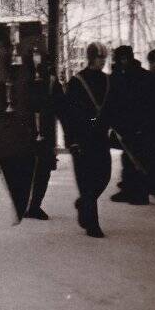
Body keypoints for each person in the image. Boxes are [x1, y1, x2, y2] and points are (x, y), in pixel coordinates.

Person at [61, 42, 112, 238]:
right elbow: (68, 114)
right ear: (91, 58)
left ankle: (84, 203)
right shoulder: (77, 81)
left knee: (104, 176)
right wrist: (71, 140)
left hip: (100, 137)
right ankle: (92, 224)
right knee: (87, 181)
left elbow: (111, 108)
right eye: (100, 58)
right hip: (82, 139)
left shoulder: (108, 81)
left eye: (104, 58)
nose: (103, 62)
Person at [107, 46, 155, 205]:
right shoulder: (135, 74)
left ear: (124, 59)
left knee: (136, 157)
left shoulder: (136, 76)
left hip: (136, 123)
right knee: (128, 157)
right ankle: (129, 189)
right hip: (129, 123)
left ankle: (139, 193)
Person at [24, 53, 64, 220]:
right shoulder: (24, 79)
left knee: (42, 168)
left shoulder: (52, 82)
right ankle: (29, 204)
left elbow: (61, 107)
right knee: (31, 169)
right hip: (28, 131)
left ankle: (33, 205)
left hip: (43, 132)